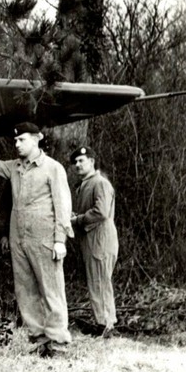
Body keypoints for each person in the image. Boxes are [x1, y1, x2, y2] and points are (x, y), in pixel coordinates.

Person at [0, 121, 74, 352]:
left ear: (36, 138)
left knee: (51, 289)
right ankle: (39, 338)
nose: (17, 144)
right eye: (15, 140)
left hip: (44, 239)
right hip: (18, 239)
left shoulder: (53, 168)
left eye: (22, 140)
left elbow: (63, 206)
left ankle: (58, 340)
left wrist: (60, 239)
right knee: (25, 290)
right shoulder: (15, 167)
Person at [69, 144, 118, 337]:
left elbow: (101, 212)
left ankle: (105, 326)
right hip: (92, 241)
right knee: (98, 282)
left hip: (100, 241)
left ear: (91, 161)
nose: (78, 165)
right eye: (75, 162)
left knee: (100, 282)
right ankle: (105, 324)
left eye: (82, 161)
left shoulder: (100, 183)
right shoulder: (87, 184)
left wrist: (78, 219)